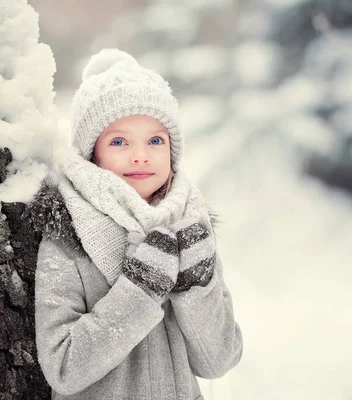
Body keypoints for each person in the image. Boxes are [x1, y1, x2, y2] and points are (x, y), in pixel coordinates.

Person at [27, 48, 243, 399]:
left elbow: (217, 361)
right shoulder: (68, 239)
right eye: (119, 141)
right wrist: (140, 290)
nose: (140, 154)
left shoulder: (189, 230)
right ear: (91, 153)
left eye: (155, 140)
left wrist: (196, 290)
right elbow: (63, 367)